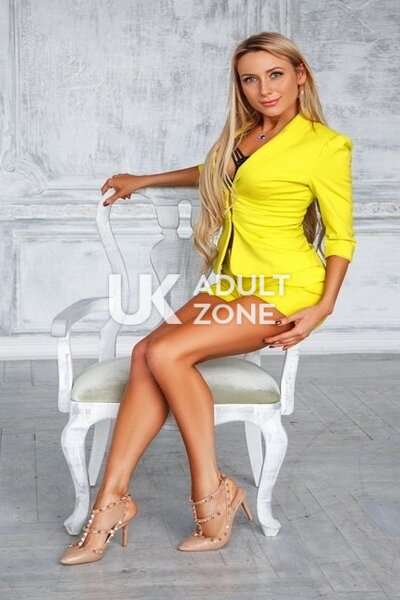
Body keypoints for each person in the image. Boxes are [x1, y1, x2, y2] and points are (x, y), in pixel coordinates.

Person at [59, 31, 357, 565]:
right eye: (251, 79)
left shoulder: (325, 146)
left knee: (166, 352)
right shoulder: (246, 136)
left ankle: (210, 491)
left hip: (285, 288)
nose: (264, 89)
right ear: (240, 86)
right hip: (229, 283)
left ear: (300, 76)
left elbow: (341, 238)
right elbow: (217, 175)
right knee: (146, 353)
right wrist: (146, 180)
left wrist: (323, 307)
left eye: (275, 75)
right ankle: (113, 499)